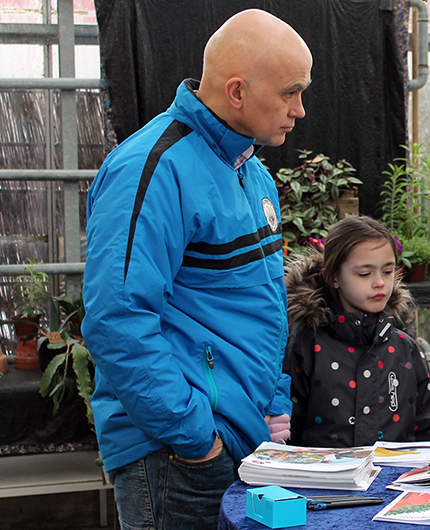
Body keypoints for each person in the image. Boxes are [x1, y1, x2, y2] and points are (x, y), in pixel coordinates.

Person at [82, 9, 312, 529]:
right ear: (236, 92)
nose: (300, 109)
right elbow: (116, 318)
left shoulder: (250, 172)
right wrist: (193, 438)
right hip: (175, 454)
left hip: (242, 441)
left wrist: (273, 409)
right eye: (290, 92)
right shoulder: (153, 168)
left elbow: (265, 304)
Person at [284, 216, 430, 446]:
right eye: (364, 274)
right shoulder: (306, 346)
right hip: (325, 481)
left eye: (388, 271)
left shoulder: (406, 348)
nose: (379, 282)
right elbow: (289, 428)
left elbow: (429, 426)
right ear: (333, 277)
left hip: (395, 479)